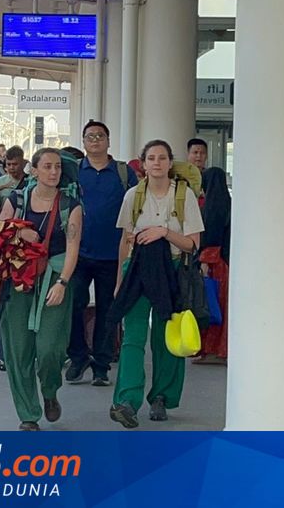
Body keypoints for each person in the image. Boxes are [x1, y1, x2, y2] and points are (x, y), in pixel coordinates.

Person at [110, 139, 204, 426]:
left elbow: (192, 244)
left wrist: (163, 232)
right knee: (133, 336)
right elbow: (124, 244)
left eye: (162, 158)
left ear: (169, 162)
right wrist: (119, 280)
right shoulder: (132, 196)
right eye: (151, 158)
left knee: (167, 337)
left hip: (172, 270)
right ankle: (127, 400)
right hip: (137, 270)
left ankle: (161, 397)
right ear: (144, 163)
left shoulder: (183, 196)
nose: (157, 163)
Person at [0, 148, 83, 430]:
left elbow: (73, 249)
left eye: (57, 166)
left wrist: (63, 283)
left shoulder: (71, 205)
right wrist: (19, 232)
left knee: (49, 350)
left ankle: (49, 390)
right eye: (47, 166)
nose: (54, 172)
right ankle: (28, 414)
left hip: (54, 279)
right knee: (18, 350)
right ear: (34, 170)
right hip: (18, 281)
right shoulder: (16, 200)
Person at [67, 120, 136, 386]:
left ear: (108, 141)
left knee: (109, 310)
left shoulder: (123, 172)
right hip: (79, 254)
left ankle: (102, 364)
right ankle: (78, 356)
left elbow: (134, 207)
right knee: (73, 305)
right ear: (83, 142)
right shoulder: (73, 172)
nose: (95, 140)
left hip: (113, 254)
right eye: (89, 136)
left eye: (100, 136)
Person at [194, 166, 231, 364]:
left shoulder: (212, 207)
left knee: (211, 304)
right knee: (221, 306)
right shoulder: (229, 203)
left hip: (215, 263)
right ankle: (220, 350)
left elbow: (211, 237)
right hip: (225, 262)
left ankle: (211, 349)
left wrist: (205, 261)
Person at [0, 145, 28, 213]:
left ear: (23, 163)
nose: (11, 168)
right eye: (8, 164)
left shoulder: (30, 181)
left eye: (15, 164)